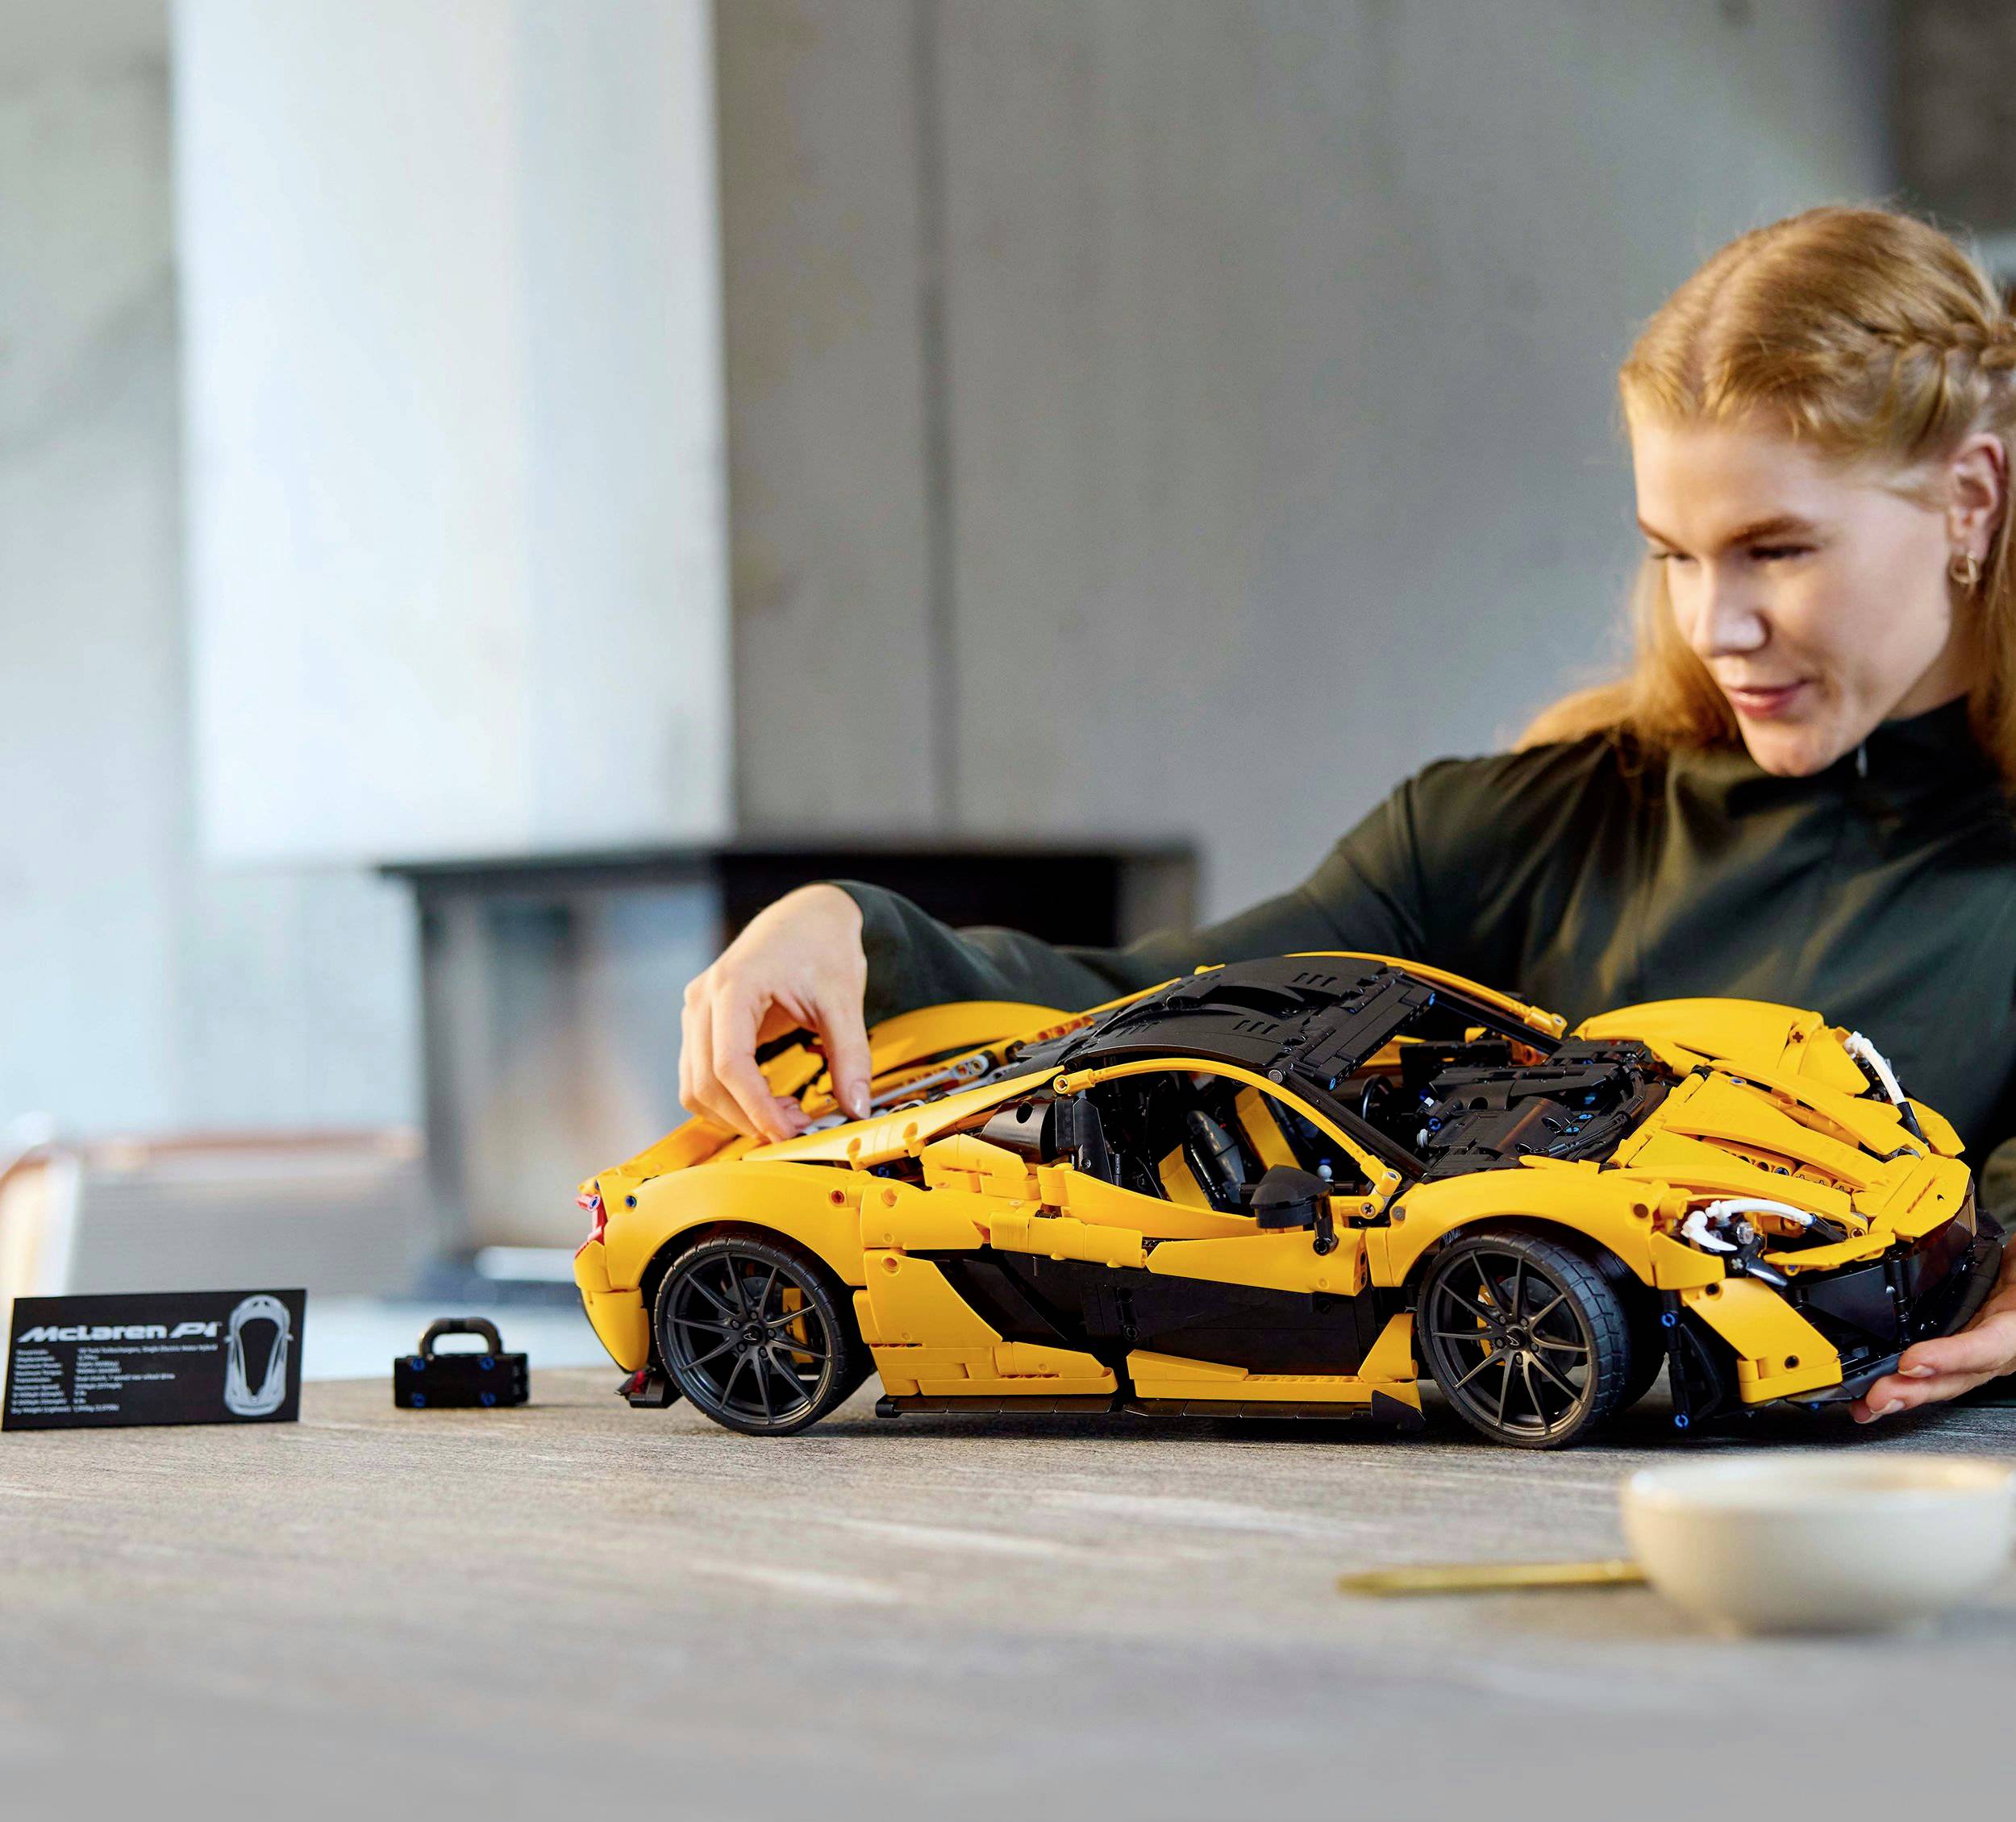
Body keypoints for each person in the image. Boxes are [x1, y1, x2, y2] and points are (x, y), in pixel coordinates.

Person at [678, 204, 2016, 1426]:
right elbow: (1154, 1018)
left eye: (1777, 550)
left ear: (1970, 498)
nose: (1716, 625)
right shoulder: (1510, 830)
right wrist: (849, 931)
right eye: (1674, 554)